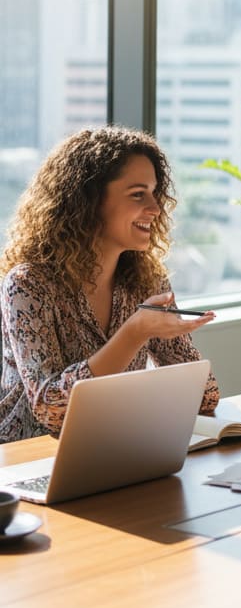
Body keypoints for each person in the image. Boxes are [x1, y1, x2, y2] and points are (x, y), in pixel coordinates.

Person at [0, 125, 219, 443]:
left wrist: (174, 351)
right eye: (137, 194)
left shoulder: (145, 283)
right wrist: (135, 332)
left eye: (155, 193)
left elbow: (206, 397)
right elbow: (50, 408)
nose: (156, 209)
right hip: (26, 458)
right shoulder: (28, 286)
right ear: (88, 201)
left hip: (109, 449)